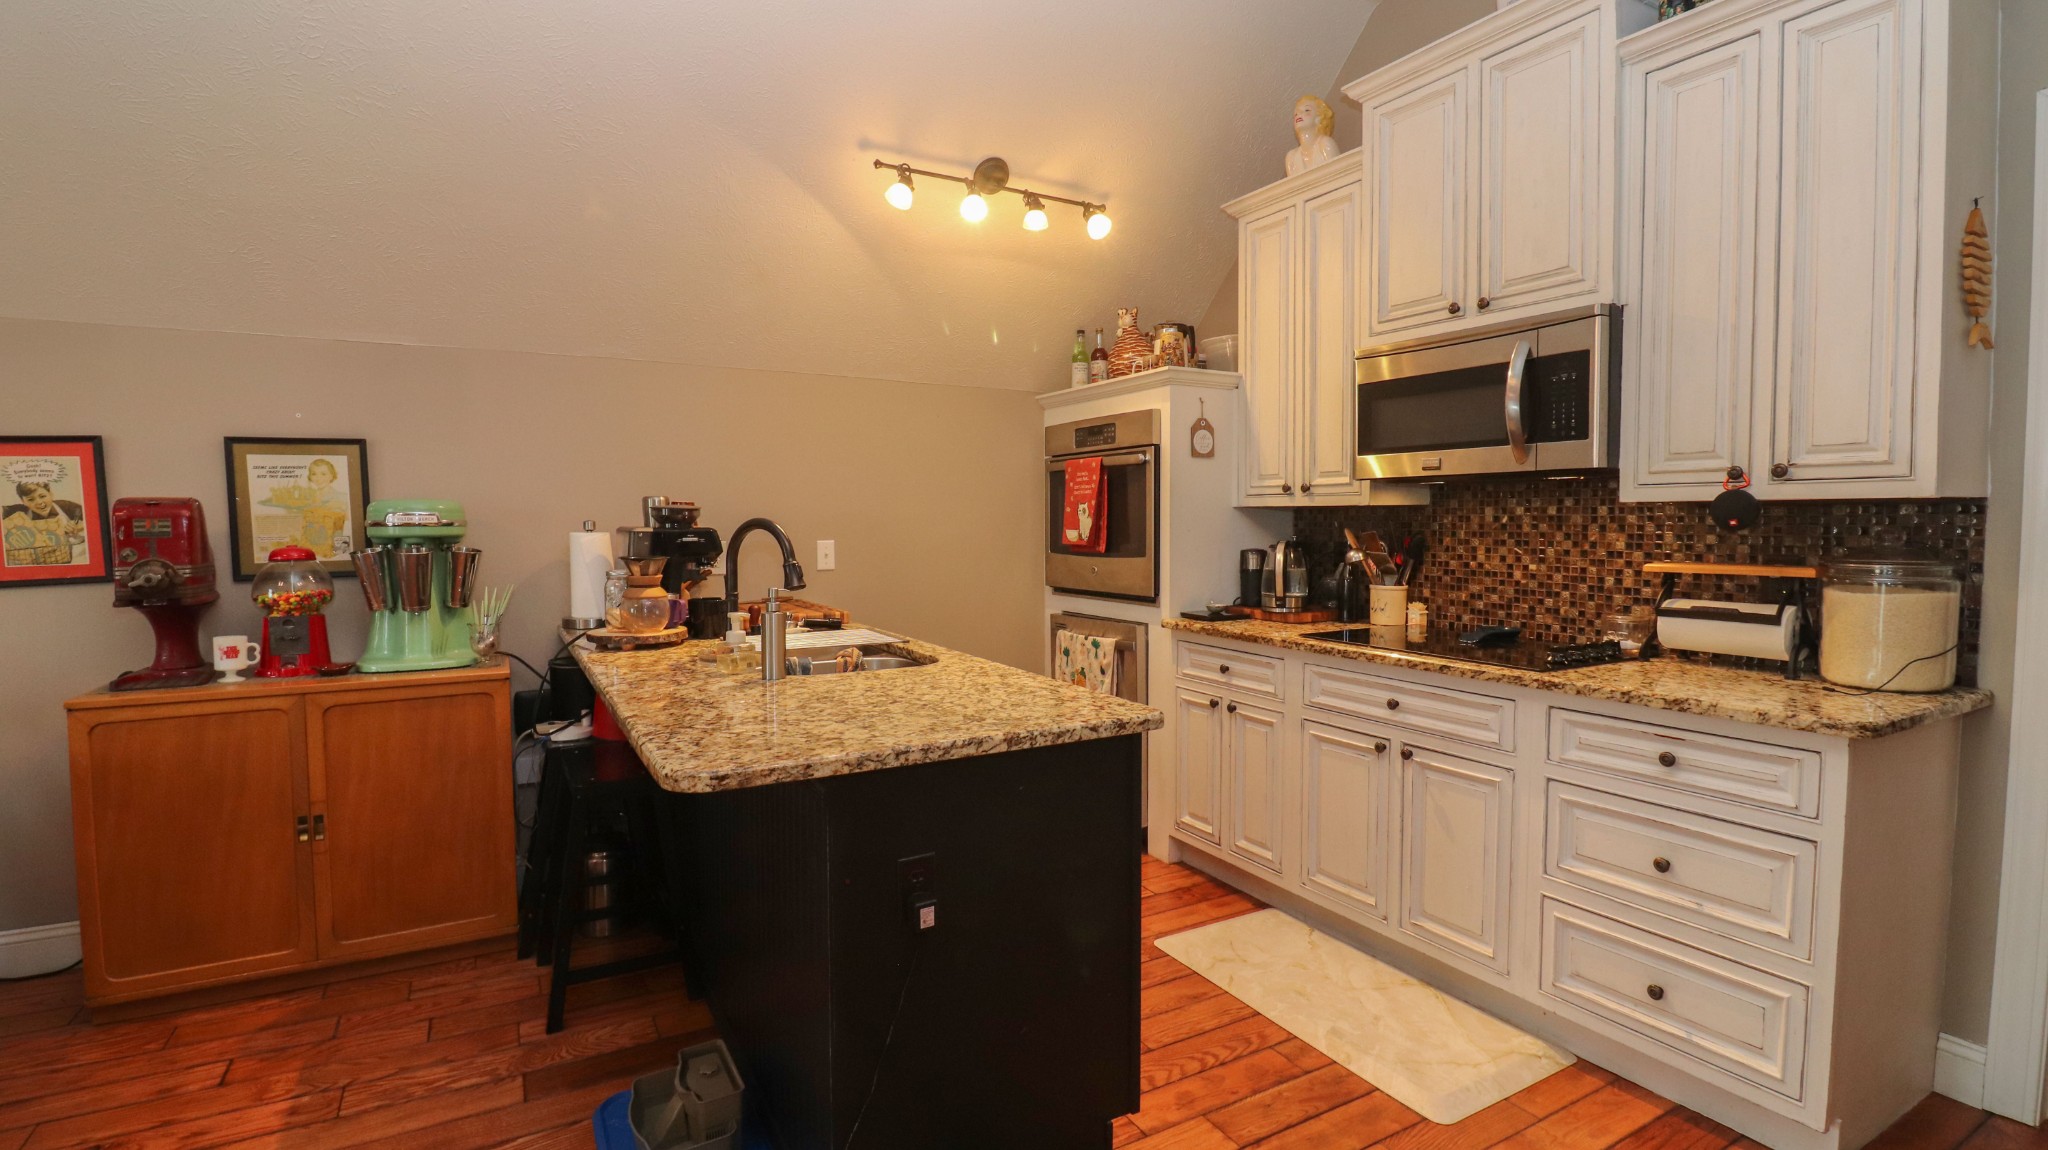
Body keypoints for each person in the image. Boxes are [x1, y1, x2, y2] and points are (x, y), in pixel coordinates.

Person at [2, 481, 87, 566]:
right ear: (23, 501)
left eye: (42, 496)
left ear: (51, 494)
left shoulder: (66, 506)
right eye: (30, 499)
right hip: (38, 560)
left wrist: (79, 526)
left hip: (74, 557)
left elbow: (93, 517)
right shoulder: (20, 510)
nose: (39, 502)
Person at [1285, 94, 1340, 177]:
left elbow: (1337, 178)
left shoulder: (1326, 144)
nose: (1299, 114)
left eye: (1307, 110)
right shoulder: (1291, 157)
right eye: (1296, 113)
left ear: (1319, 118)